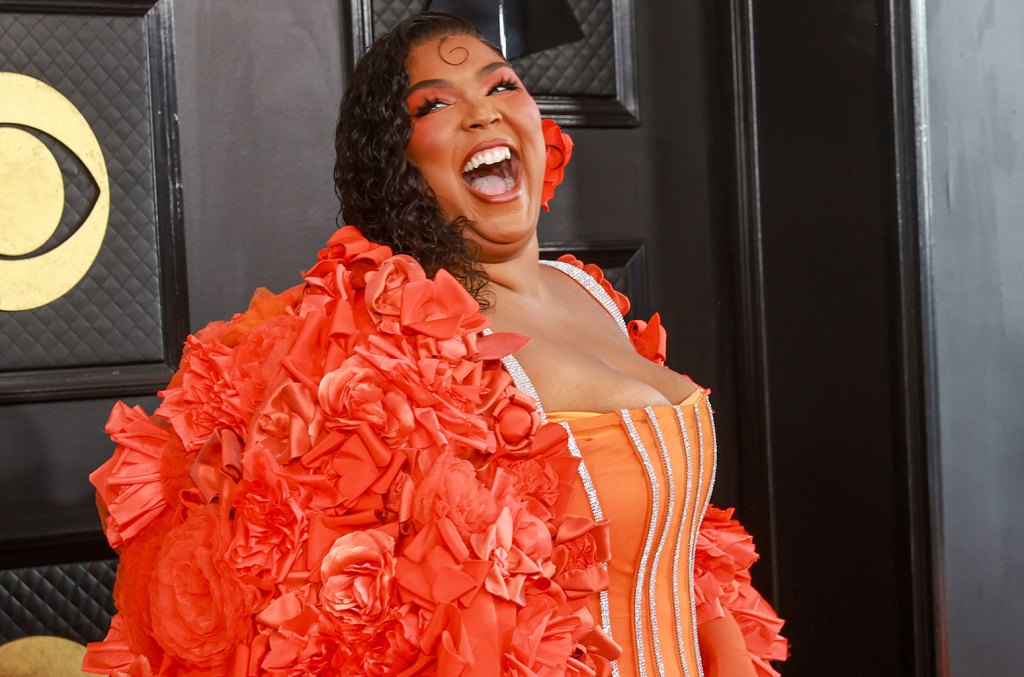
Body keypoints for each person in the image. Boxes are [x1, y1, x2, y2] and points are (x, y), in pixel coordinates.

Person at [83, 11, 786, 677]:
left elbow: (678, 547)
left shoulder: (589, 291)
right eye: (436, 105)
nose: (483, 111)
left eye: (501, 85)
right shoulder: (399, 341)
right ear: (398, 163)